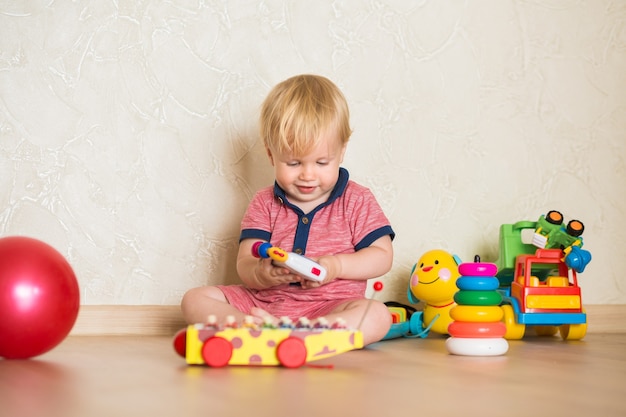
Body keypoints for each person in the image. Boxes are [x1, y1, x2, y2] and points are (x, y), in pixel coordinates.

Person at [181, 74, 394, 345]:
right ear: (271, 155)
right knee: (195, 299)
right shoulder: (264, 202)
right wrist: (261, 273)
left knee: (377, 315)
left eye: (321, 162)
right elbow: (245, 261)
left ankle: (302, 335)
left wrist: (335, 265)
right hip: (264, 306)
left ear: (341, 152)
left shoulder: (357, 200)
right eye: (293, 163)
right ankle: (249, 328)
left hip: (329, 307)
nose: (307, 174)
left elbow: (382, 256)